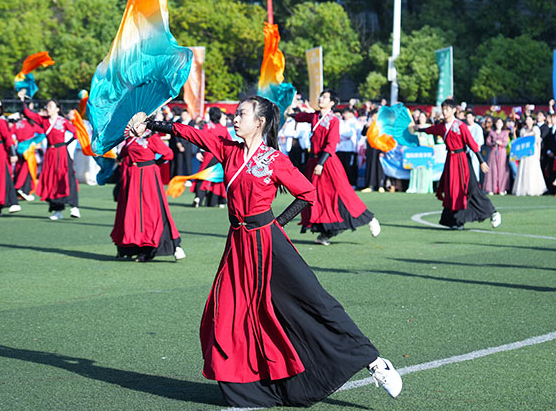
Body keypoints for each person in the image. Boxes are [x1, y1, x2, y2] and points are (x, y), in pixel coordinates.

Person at [137, 95, 401, 408]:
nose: (235, 119)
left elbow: (307, 193)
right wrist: (150, 123)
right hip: (238, 244)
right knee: (228, 315)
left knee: (315, 302)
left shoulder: (275, 160)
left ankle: (374, 361)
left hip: (269, 243)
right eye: (235, 114)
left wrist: (277, 224)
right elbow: (193, 133)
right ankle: (249, 391)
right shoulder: (228, 150)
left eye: (242, 114)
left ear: (259, 122)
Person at [293, 90, 381, 245]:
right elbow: (299, 116)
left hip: (327, 162)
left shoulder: (333, 120)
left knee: (343, 194)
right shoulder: (315, 116)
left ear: (332, 103)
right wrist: (287, 109)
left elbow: (331, 144)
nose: (321, 99)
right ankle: (326, 233)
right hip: (314, 162)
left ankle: (370, 219)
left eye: (325, 97)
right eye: (321, 96)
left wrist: (321, 163)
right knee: (318, 197)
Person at [412, 99, 501, 230]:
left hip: (462, 160)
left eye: (447, 109)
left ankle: (493, 213)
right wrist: (418, 129)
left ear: (454, 110)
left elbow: (472, 144)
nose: (444, 111)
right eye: (443, 109)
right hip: (450, 161)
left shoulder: (460, 126)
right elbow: (430, 129)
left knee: (471, 189)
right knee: (452, 190)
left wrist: (481, 161)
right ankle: (456, 221)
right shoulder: (442, 126)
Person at [111, 127, 184, 262]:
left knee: (149, 211)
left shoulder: (152, 138)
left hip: (148, 175)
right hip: (133, 177)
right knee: (132, 211)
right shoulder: (131, 138)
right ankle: (131, 247)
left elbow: (168, 154)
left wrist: (154, 163)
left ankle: (149, 248)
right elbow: (124, 152)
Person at [20, 97, 80, 220]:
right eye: (47, 106)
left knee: (68, 178)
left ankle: (74, 207)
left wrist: (66, 144)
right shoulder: (44, 120)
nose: (48, 108)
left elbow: (76, 133)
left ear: (57, 109)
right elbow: (28, 114)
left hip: (62, 153)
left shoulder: (63, 121)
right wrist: (23, 101)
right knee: (52, 181)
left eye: (51, 106)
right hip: (50, 154)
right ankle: (57, 211)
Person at [191, 107, 230, 208]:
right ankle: (217, 200)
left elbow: (201, 140)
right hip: (220, 156)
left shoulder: (207, 127)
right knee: (218, 177)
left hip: (209, 155)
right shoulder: (223, 128)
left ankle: (198, 197)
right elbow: (229, 141)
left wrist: (199, 151)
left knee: (203, 175)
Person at [511, 115, 547, 196]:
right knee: (524, 169)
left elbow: (538, 142)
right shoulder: (523, 130)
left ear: (533, 121)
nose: (528, 121)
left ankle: (533, 189)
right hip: (525, 153)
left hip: (533, 152)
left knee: (533, 169)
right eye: (527, 120)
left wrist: (539, 154)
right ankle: (523, 189)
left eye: (529, 120)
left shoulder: (536, 129)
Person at [406, 111, 435, 194]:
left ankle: (424, 187)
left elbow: (431, 141)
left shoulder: (428, 127)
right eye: (420, 117)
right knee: (415, 169)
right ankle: (414, 187)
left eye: (423, 117)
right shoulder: (415, 128)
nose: (421, 119)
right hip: (417, 152)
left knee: (425, 169)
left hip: (426, 152)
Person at [482, 117, 510, 195]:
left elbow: (506, 142)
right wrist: (493, 143)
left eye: (500, 123)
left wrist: (501, 143)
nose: (499, 124)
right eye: (497, 123)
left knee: (502, 169)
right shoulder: (492, 132)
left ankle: (502, 188)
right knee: (492, 169)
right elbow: (487, 142)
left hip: (502, 152)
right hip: (493, 151)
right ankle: (491, 188)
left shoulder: (505, 132)